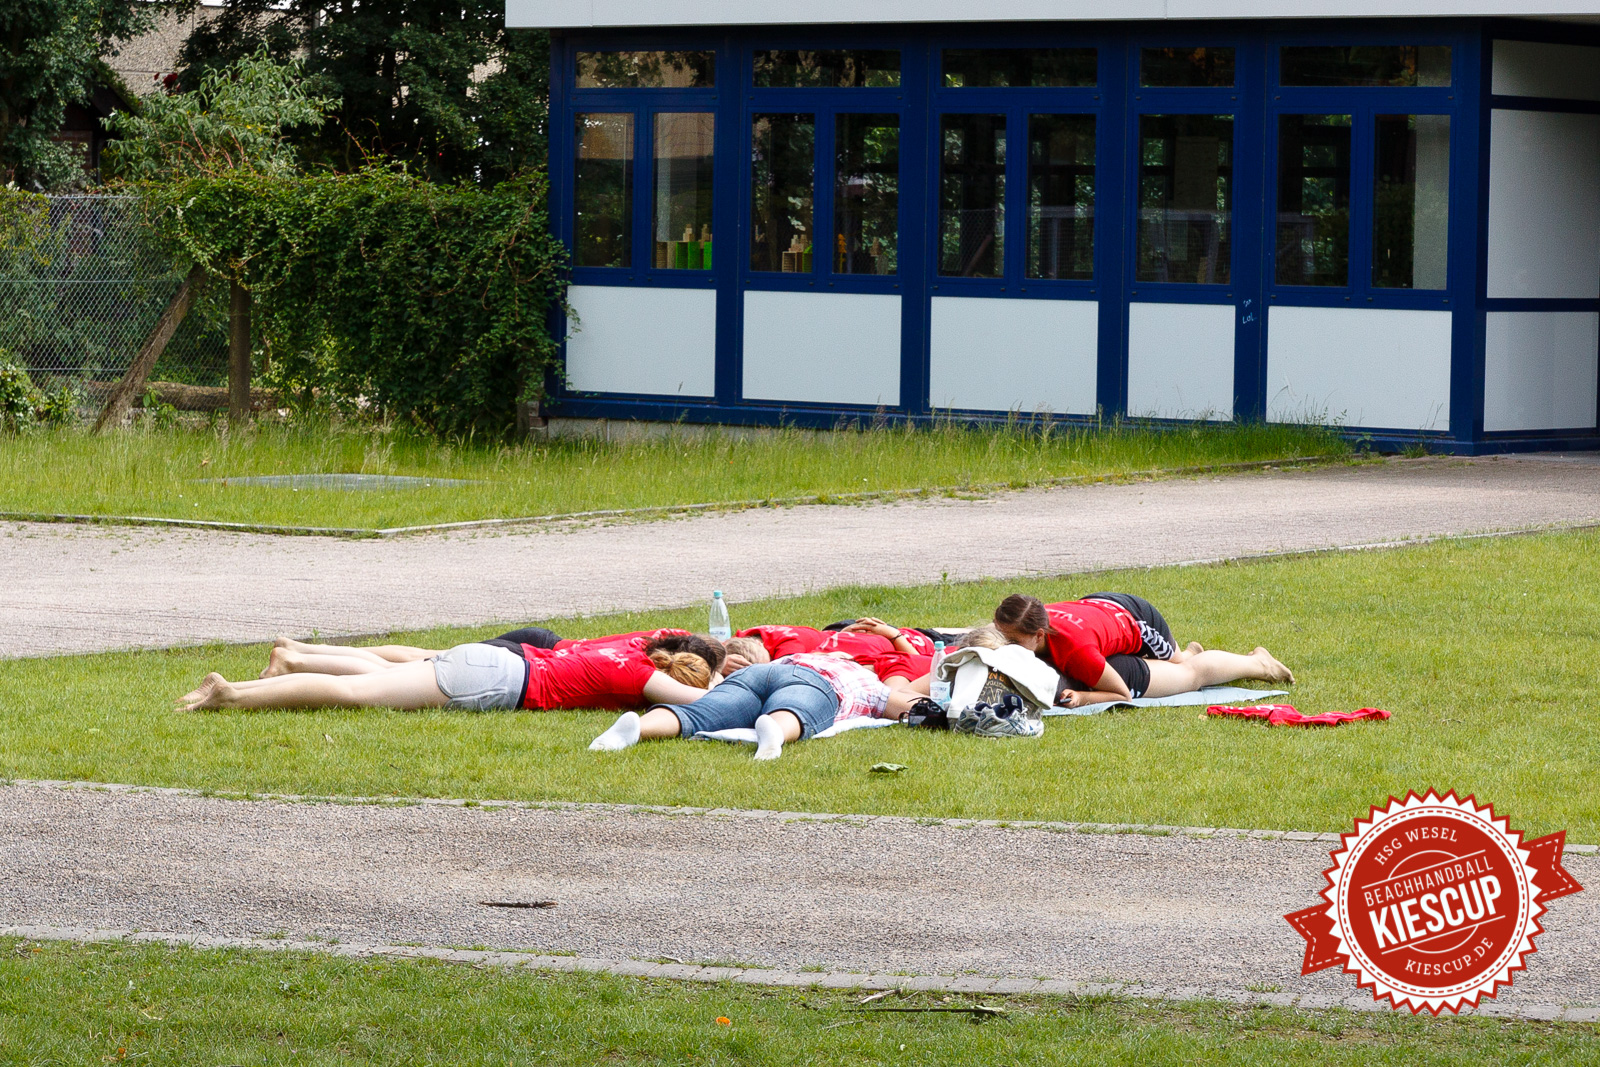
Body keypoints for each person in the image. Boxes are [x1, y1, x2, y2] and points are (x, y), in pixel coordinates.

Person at [179, 636, 714, 713]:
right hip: (498, 682)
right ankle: (235, 695)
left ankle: (278, 667)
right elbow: (700, 706)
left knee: (375, 672)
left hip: (493, 660)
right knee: (356, 693)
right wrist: (719, 686)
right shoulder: (643, 682)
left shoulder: (634, 656)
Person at [589, 652, 920, 761]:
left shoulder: (806, 655)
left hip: (758, 673)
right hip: (815, 684)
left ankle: (636, 729)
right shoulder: (862, 680)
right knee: (796, 709)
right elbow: (905, 706)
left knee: (701, 713)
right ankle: (774, 730)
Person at [992, 593, 1293, 707]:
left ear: (1039, 634)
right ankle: (1188, 652)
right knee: (1176, 664)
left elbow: (1121, 694)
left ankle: (1260, 663)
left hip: (1137, 618)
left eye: (1013, 641)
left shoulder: (1075, 651)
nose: (1006, 645)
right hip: (1100, 609)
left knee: (1186, 671)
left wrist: (1084, 697)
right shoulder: (1031, 618)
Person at [262, 628, 722, 679]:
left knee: (419, 655)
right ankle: (299, 659)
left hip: (538, 644)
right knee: (402, 667)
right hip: (529, 657)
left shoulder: (647, 641)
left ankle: (303, 649)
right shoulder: (643, 669)